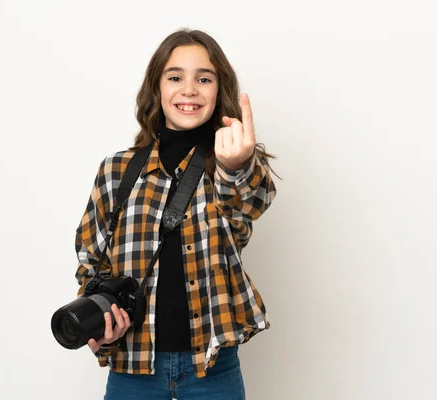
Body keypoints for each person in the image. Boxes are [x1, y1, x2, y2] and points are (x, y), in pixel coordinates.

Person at [73, 28, 278, 400]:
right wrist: (100, 323)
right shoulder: (117, 170)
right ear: (157, 88)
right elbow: (90, 261)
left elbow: (249, 205)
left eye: (204, 78)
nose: (189, 89)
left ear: (219, 90)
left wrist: (237, 165)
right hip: (132, 370)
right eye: (175, 77)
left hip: (213, 368)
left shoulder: (231, 163)